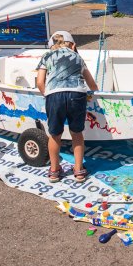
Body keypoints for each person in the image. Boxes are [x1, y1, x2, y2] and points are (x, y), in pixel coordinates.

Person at [35, 30, 98, 184]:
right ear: (73, 45)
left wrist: (47, 94)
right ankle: (78, 170)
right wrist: (96, 94)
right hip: (77, 95)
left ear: (51, 47)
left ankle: (54, 171)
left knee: (55, 135)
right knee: (77, 133)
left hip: (54, 95)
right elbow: (91, 83)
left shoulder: (47, 56)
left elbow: (39, 82)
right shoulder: (78, 57)